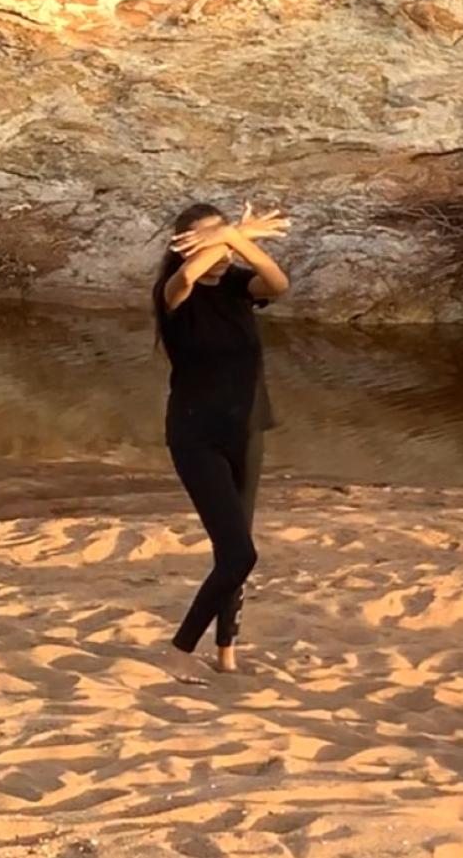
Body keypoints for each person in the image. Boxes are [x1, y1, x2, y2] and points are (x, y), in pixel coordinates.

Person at [152, 203, 290, 680]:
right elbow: (186, 276)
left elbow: (277, 283)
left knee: (234, 552)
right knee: (239, 554)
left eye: (226, 241)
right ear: (186, 244)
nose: (225, 250)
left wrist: (235, 235)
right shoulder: (173, 296)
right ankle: (179, 650)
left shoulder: (237, 288)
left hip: (247, 429)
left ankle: (227, 651)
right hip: (196, 436)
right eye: (211, 239)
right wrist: (230, 233)